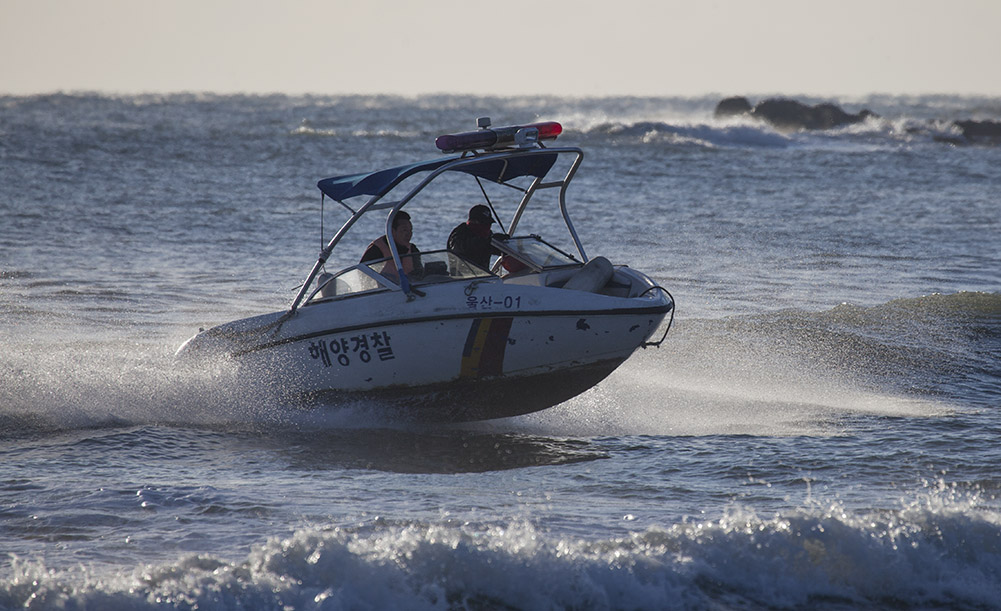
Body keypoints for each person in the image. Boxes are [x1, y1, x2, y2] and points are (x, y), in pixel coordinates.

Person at [361, 211, 421, 279]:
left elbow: (419, 274)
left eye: (410, 230)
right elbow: (362, 276)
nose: (409, 234)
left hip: (410, 285)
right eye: (404, 230)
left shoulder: (413, 249)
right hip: (384, 286)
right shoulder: (376, 250)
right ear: (392, 231)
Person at [447, 205, 507, 269]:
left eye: (489, 224)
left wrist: (503, 243)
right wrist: (488, 241)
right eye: (484, 223)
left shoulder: (487, 235)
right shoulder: (460, 233)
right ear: (473, 221)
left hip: (483, 274)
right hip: (462, 274)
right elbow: (462, 247)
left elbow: (494, 248)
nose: (487, 227)